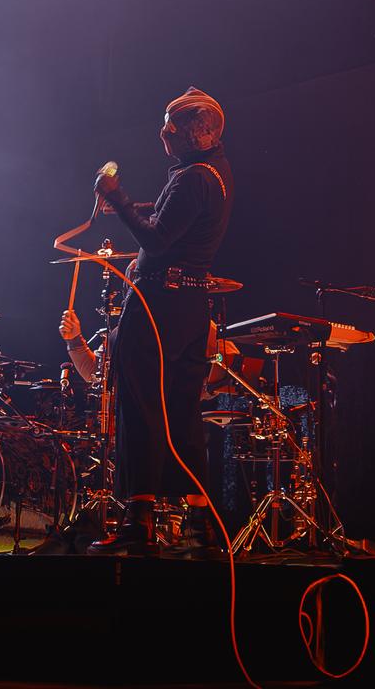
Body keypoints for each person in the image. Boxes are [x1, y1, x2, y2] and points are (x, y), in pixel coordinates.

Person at [87, 87, 232, 556]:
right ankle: (202, 522)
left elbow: (159, 239)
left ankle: (139, 520)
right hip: (190, 307)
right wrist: (136, 209)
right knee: (182, 410)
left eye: (172, 124)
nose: (164, 132)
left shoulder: (192, 177)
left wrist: (118, 197)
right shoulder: (215, 172)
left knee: (141, 403)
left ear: (198, 131)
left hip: (159, 305)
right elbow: (177, 221)